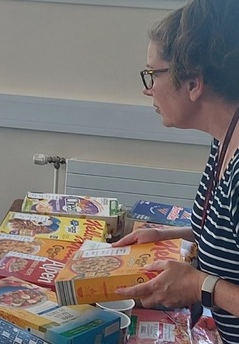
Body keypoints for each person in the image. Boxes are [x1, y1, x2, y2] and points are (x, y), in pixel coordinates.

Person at [112, 1, 239, 342]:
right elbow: (230, 235)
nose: (147, 88)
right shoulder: (225, 136)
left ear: (194, 83)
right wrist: (167, 235)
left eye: (153, 74)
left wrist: (200, 285)